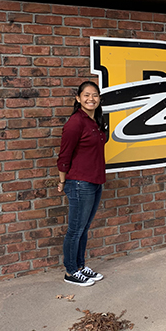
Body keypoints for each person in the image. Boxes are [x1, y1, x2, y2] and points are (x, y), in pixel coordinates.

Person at [57, 81, 107, 286]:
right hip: (79, 183)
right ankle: (70, 271)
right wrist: (62, 181)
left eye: (95, 95)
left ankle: (80, 266)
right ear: (78, 99)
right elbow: (64, 155)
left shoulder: (96, 121)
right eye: (86, 95)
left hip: (95, 181)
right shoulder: (75, 122)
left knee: (84, 228)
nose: (91, 99)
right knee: (75, 230)